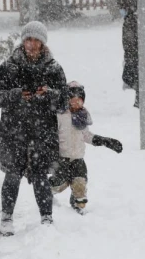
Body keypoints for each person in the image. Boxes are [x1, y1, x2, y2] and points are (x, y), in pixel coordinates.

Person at [0, 21, 68, 236]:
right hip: (13, 131)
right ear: (23, 41)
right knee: (12, 175)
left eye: (36, 40)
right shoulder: (9, 66)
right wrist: (14, 95)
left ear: (43, 43)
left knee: (41, 175)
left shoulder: (53, 68)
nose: (31, 44)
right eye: (28, 39)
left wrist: (49, 94)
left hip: (42, 133)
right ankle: (6, 218)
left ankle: (46, 218)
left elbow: (64, 102)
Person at [50, 81, 122, 215]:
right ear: (67, 100)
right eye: (73, 100)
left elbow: (86, 135)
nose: (77, 103)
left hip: (78, 159)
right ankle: (46, 197)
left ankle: (78, 204)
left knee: (80, 184)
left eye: (80, 100)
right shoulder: (60, 116)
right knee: (58, 184)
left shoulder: (82, 116)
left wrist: (105, 141)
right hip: (62, 158)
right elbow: (52, 136)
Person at [118, 0, 145, 108]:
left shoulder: (133, 20)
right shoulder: (131, 19)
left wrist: (138, 49)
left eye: (121, 7)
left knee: (128, 77)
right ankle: (140, 99)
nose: (120, 10)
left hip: (135, 55)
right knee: (137, 77)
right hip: (133, 54)